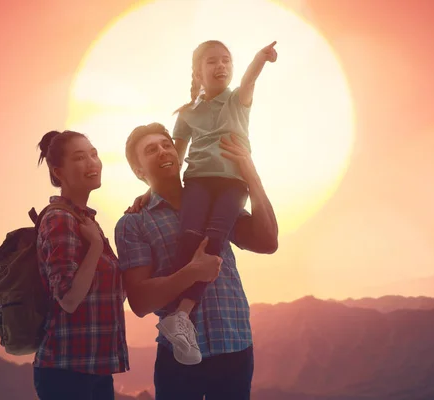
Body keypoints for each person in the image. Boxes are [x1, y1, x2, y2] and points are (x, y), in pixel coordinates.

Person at [132, 39, 278, 364]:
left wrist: (260, 58)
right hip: (197, 180)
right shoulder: (186, 114)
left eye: (226, 60)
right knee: (189, 236)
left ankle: (182, 314)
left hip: (232, 184)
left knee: (214, 238)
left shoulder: (237, 101)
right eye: (212, 61)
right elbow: (177, 156)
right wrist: (148, 192)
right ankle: (177, 316)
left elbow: (250, 80)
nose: (220, 66)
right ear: (198, 72)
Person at [115, 123, 278, 399]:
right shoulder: (134, 223)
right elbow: (140, 302)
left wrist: (251, 176)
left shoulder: (216, 201)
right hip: (178, 357)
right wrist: (192, 272)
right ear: (138, 171)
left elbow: (267, 242)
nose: (163, 151)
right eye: (151, 150)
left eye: (167, 145)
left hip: (235, 345)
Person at [33, 130, 129, 400]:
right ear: (58, 171)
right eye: (79, 157)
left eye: (93, 154)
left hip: (93, 368)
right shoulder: (60, 220)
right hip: (67, 372)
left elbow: (112, 293)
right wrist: (97, 248)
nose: (92, 162)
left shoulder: (85, 220)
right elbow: (69, 299)